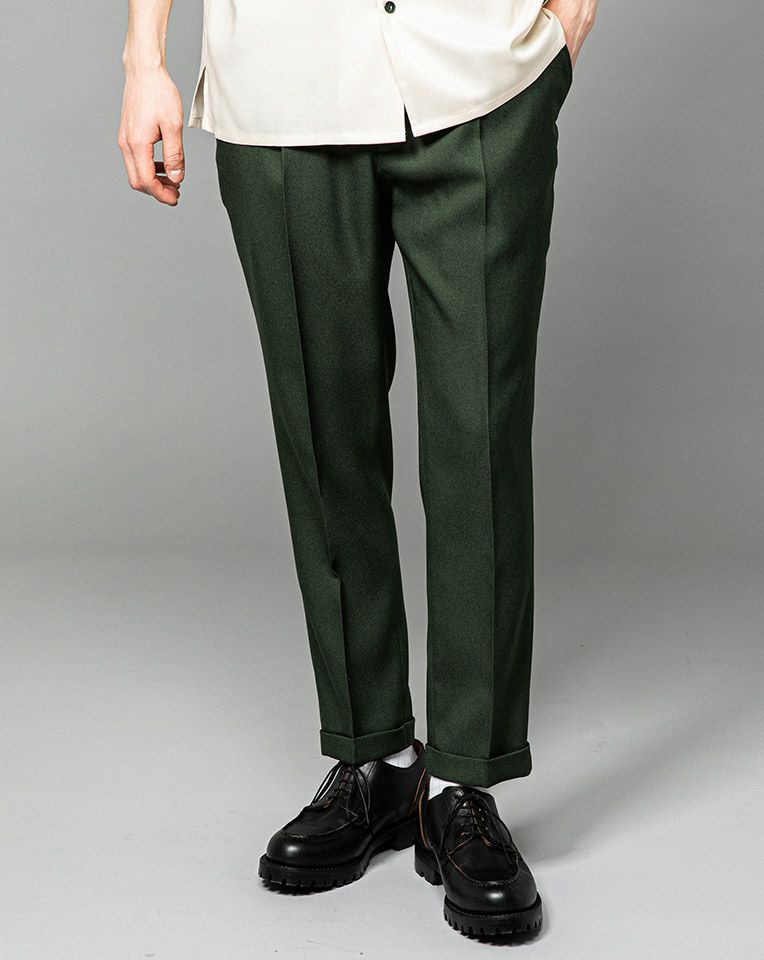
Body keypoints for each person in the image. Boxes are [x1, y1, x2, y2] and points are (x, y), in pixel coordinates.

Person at [119, 0, 597, 939]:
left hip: (479, 72)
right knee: (323, 431)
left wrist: (569, 19)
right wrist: (144, 60)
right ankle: (371, 757)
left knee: (480, 441)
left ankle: (464, 784)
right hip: (280, 86)